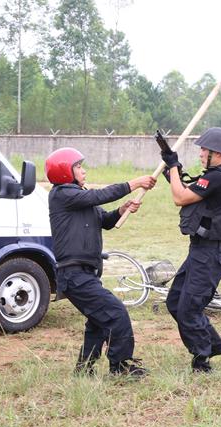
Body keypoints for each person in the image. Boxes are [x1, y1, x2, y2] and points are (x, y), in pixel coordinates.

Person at [46, 147, 156, 378]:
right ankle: (121, 367)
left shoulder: (80, 197)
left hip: (86, 274)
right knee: (116, 313)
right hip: (74, 275)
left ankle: (83, 370)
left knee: (97, 323)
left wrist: (121, 210)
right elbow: (100, 195)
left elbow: (104, 220)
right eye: (78, 167)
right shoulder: (62, 195)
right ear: (64, 171)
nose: (83, 170)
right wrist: (135, 183)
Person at [159, 127, 221, 373]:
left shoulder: (217, 177)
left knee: (189, 308)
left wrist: (173, 167)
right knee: (175, 301)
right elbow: (190, 192)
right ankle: (214, 344)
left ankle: (202, 360)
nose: (201, 154)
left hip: (209, 253)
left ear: (217, 152)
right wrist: (174, 172)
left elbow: (180, 198)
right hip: (200, 251)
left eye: (204, 150)